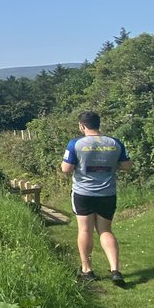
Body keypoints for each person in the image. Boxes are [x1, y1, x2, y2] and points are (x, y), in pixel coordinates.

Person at [60, 111, 132, 286]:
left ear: (82, 126)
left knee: (85, 231)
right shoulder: (115, 143)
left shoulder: (75, 144)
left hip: (83, 193)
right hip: (107, 193)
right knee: (106, 231)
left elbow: (66, 169)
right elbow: (127, 166)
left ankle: (87, 270)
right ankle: (115, 270)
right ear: (99, 124)